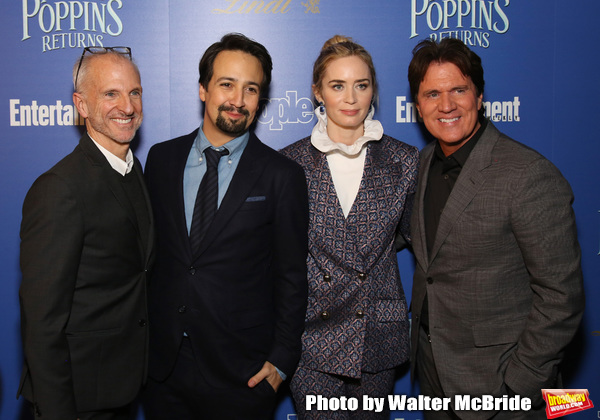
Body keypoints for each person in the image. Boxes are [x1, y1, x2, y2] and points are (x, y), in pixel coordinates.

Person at [407, 38, 584, 419]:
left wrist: (520, 385)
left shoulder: (528, 175)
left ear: (480, 96)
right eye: (432, 93)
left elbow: (561, 297)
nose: (447, 105)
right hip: (434, 377)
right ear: (418, 106)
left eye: (459, 90)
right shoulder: (421, 164)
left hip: (500, 387)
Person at [142, 33, 309, 419]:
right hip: (163, 369)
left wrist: (281, 361)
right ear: (203, 89)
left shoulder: (281, 175)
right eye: (227, 84)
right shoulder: (161, 159)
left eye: (251, 89)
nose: (238, 100)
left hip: (243, 375)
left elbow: (291, 276)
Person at [280, 35, 419, 419]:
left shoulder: (404, 161)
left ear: (373, 90)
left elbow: (409, 236)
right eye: (337, 86)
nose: (351, 98)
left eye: (362, 85)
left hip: (378, 334)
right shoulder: (288, 164)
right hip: (311, 339)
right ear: (317, 92)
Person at [18, 46, 153, 420]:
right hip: (77, 400)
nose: (127, 106)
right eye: (110, 93)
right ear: (82, 105)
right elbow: (42, 323)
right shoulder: (59, 189)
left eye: (135, 92)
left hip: (123, 388)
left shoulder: (133, 170)